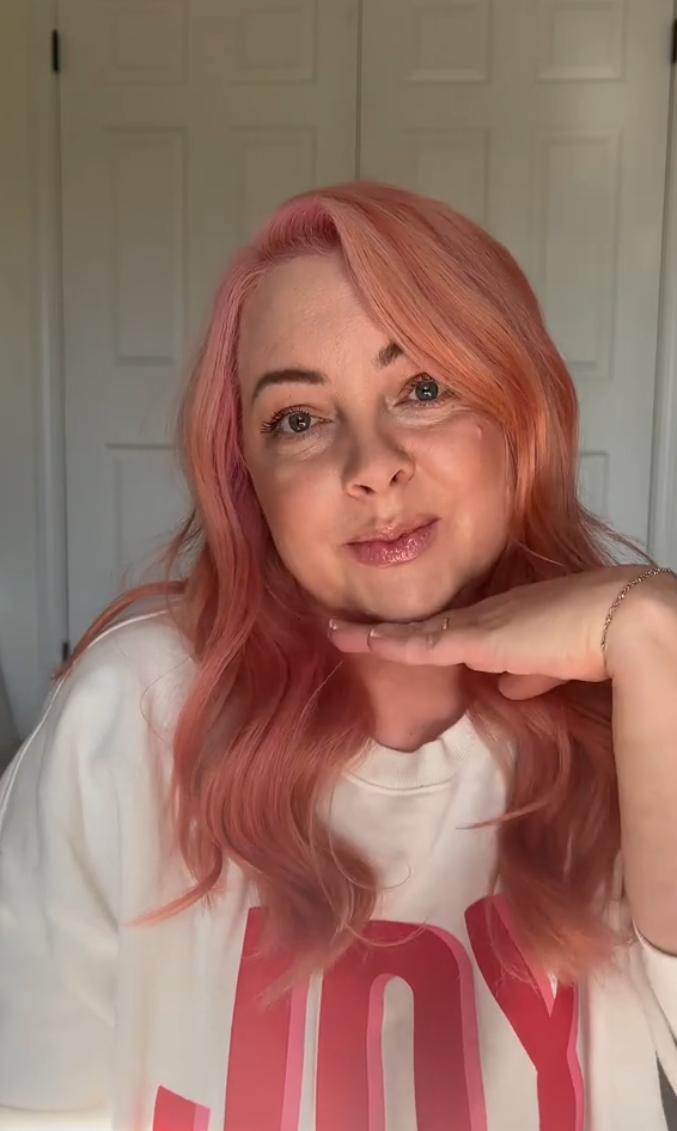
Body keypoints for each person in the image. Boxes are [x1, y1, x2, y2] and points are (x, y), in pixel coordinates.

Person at [2, 181, 677, 1131]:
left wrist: (657, 636)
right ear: (250, 484)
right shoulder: (133, 711)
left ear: (518, 414)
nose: (370, 462)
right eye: (299, 419)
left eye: (423, 388)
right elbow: (35, 1105)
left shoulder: (635, 709)